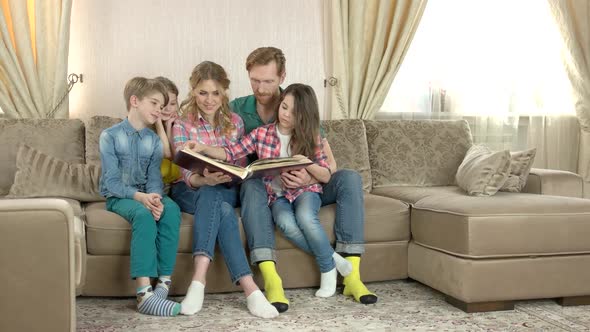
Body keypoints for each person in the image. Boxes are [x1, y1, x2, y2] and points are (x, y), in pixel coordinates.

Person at [230, 47, 377, 312]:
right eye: (255, 80)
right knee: (252, 184)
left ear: (282, 76)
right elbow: (227, 146)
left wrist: (306, 175)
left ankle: (352, 274)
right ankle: (273, 279)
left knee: (350, 178)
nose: (261, 88)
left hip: (306, 183)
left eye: (268, 81)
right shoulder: (237, 109)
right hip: (266, 188)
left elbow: (328, 164)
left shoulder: (299, 103)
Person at [186, 83, 353, 298]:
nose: (285, 115)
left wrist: (306, 164)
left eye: (294, 112)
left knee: (305, 216)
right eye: (284, 107)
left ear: (305, 115)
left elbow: (326, 174)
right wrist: (203, 148)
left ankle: (327, 268)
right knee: (285, 223)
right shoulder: (261, 134)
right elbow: (231, 152)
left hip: (305, 191)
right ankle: (334, 258)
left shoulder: (311, 137)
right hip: (277, 196)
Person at [169, 61, 279, 318]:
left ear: (224, 93)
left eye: (215, 93)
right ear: (193, 91)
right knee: (221, 206)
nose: (209, 100)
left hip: (227, 187)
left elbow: (239, 162)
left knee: (222, 201)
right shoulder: (182, 123)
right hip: (191, 189)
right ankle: (250, 290)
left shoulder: (235, 122)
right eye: (202, 93)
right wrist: (203, 180)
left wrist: (228, 173)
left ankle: (198, 283)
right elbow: (185, 171)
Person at [99, 77, 182, 316]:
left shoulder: (154, 140)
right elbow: (111, 182)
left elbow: (154, 177)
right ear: (134, 101)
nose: (159, 110)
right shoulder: (110, 136)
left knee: (171, 209)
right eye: (154, 103)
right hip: (121, 196)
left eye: (162, 105)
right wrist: (141, 199)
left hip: (147, 194)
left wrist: (155, 196)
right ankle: (144, 295)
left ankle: (163, 286)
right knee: (144, 216)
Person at [153, 76, 182, 190]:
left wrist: (168, 126)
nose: (167, 109)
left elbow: (175, 157)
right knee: (164, 164)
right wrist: (158, 123)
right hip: (156, 177)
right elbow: (166, 154)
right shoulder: (144, 126)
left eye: (173, 103)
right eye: (163, 104)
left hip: (178, 178)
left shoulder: (181, 124)